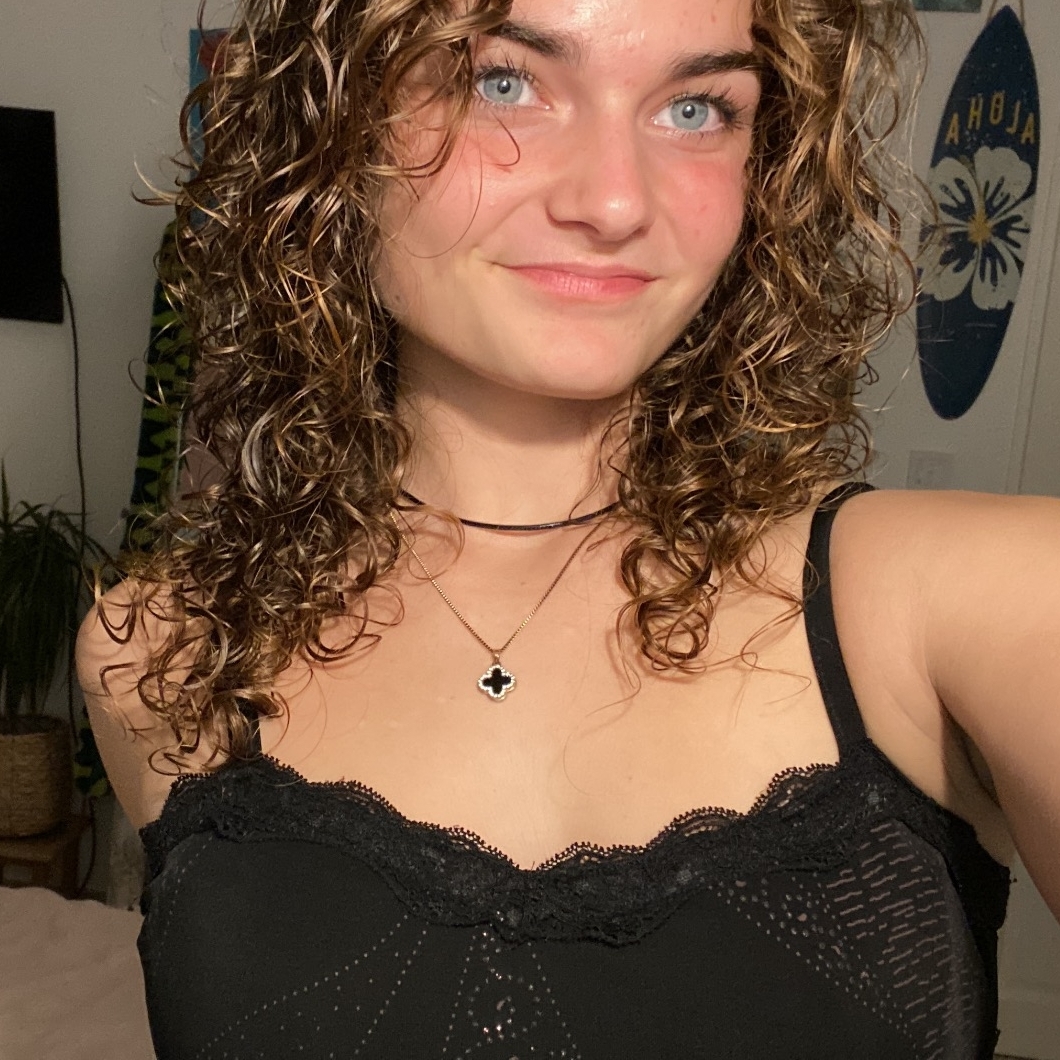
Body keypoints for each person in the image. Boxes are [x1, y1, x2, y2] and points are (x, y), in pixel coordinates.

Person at [77, 0, 1060, 1055]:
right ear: (332, 124)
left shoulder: (969, 596)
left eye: (695, 108)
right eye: (502, 83)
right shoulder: (161, 655)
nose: (615, 200)